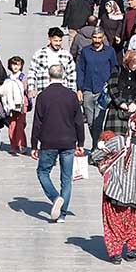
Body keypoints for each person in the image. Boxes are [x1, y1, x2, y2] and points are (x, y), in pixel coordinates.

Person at [91, 114, 136, 263]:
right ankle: (131, 248)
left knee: (113, 220)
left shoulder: (118, 141)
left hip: (116, 189)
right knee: (134, 220)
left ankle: (116, 252)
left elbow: (95, 155)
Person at [31, 64, 86, 223]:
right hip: (69, 141)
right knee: (66, 178)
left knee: (43, 172)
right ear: (64, 76)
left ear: (49, 76)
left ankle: (55, 197)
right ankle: (62, 214)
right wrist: (80, 142)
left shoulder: (43, 96)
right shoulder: (71, 96)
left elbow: (37, 123)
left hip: (48, 141)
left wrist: (34, 145)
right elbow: (79, 122)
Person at [77, 28, 117, 149]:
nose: (97, 40)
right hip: (88, 89)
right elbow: (80, 70)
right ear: (91, 38)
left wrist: (112, 86)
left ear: (103, 37)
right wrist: (79, 88)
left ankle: (96, 149)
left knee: (98, 121)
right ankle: (97, 144)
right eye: (95, 38)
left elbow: (114, 69)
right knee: (90, 122)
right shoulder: (85, 51)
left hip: (103, 91)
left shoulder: (109, 51)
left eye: (99, 38)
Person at [102, 49, 136, 136]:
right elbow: (112, 87)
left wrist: (135, 104)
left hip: (132, 108)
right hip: (116, 108)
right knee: (113, 137)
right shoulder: (117, 69)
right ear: (128, 61)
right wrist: (120, 103)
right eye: (134, 63)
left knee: (132, 138)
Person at [26, 27, 77, 97]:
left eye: (60, 41)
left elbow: (72, 75)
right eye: (55, 41)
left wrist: (72, 92)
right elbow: (32, 72)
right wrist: (31, 89)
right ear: (49, 39)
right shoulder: (39, 54)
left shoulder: (67, 55)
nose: (58, 43)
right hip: (44, 91)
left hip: (62, 94)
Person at [1, 55, 30, 154]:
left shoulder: (23, 77)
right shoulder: (8, 78)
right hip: (11, 105)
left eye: (18, 65)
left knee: (20, 125)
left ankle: (22, 144)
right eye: (14, 65)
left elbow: (27, 90)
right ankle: (13, 145)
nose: (16, 67)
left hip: (22, 105)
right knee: (12, 125)